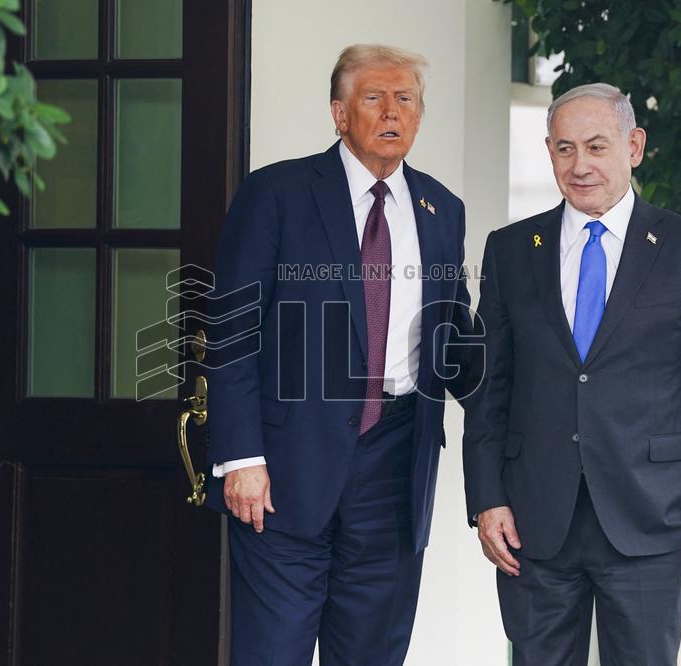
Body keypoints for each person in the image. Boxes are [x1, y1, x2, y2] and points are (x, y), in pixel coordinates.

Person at [463, 82, 681, 665]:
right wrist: (486, 497)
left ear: (634, 146)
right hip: (533, 523)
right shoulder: (512, 249)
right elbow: (490, 390)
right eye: (564, 149)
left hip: (650, 518)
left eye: (596, 146)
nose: (580, 165)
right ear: (549, 152)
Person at [205, 44, 474, 665]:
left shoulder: (442, 210)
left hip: (394, 472)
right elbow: (231, 332)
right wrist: (241, 457)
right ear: (339, 113)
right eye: (373, 98)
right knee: (274, 653)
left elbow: (452, 338)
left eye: (405, 99)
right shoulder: (277, 193)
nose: (391, 112)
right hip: (282, 471)